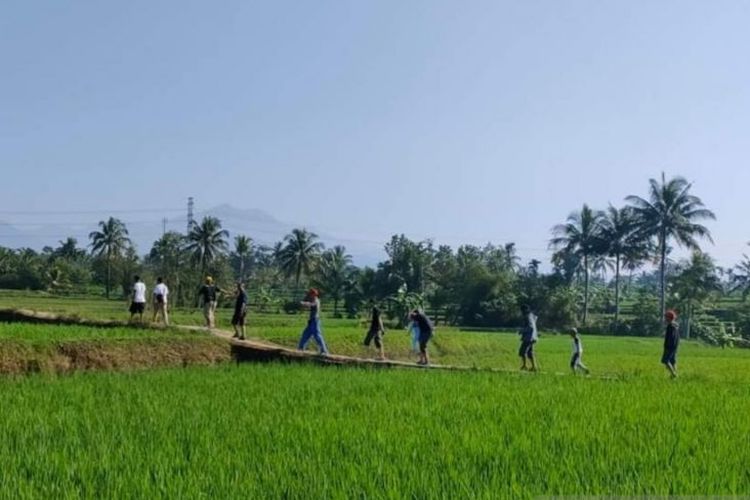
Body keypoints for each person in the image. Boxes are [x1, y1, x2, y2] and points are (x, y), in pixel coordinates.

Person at [297, 288, 329, 355]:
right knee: (305, 335)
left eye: (311, 294)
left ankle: (324, 350)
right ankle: (300, 349)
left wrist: (304, 303)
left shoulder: (316, 301)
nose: (310, 296)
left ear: (314, 294)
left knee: (317, 336)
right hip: (311, 321)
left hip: (315, 321)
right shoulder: (313, 300)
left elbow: (312, 304)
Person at [518, 304, 539, 371]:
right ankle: (534, 367)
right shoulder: (532, 316)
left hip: (528, 338)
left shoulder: (528, 317)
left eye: (522, 310)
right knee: (530, 353)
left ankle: (525, 365)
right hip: (533, 337)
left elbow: (530, 327)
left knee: (522, 352)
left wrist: (522, 331)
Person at [662, 309, 680, 378]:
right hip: (675, 346)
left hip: (669, 346)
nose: (665, 318)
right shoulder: (676, 326)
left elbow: (671, 337)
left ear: (669, 318)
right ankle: (674, 374)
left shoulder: (670, 326)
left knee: (665, 360)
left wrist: (667, 346)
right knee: (673, 361)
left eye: (666, 317)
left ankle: (673, 374)